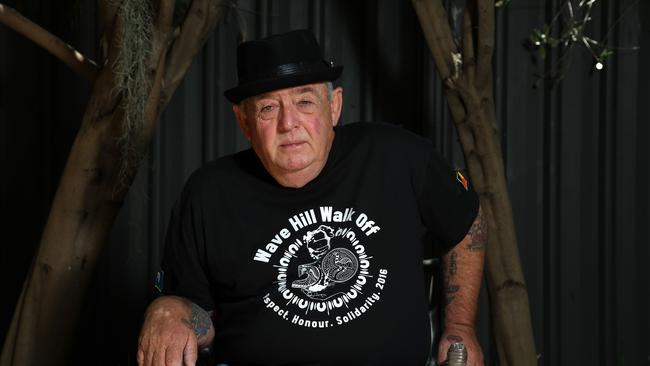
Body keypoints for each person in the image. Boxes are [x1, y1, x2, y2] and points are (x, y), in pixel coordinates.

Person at [137, 29, 486, 366]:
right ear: (244, 121)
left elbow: (465, 219)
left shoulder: (397, 156)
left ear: (333, 107)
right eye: (268, 109)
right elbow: (200, 314)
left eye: (304, 101)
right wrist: (170, 310)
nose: (289, 123)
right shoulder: (208, 194)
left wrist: (460, 330)